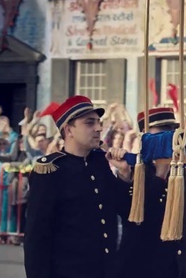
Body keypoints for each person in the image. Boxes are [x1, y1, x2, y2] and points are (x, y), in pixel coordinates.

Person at [24, 95, 132, 278]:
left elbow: (124, 209)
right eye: (89, 123)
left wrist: (124, 175)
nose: (99, 128)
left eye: (99, 122)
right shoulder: (51, 170)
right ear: (69, 130)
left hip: (105, 270)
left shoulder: (99, 162)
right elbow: (36, 238)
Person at [117, 107, 186, 278]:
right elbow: (135, 216)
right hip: (144, 262)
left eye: (171, 130)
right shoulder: (134, 168)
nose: (169, 136)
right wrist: (160, 175)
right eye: (161, 131)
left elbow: (183, 220)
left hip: (174, 263)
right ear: (145, 135)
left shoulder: (178, 169)